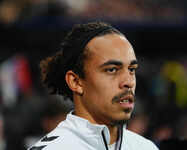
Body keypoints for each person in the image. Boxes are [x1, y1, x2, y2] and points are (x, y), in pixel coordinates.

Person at [28, 21, 158, 150]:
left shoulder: (146, 147)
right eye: (111, 70)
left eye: (131, 69)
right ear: (75, 82)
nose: (128, 82)